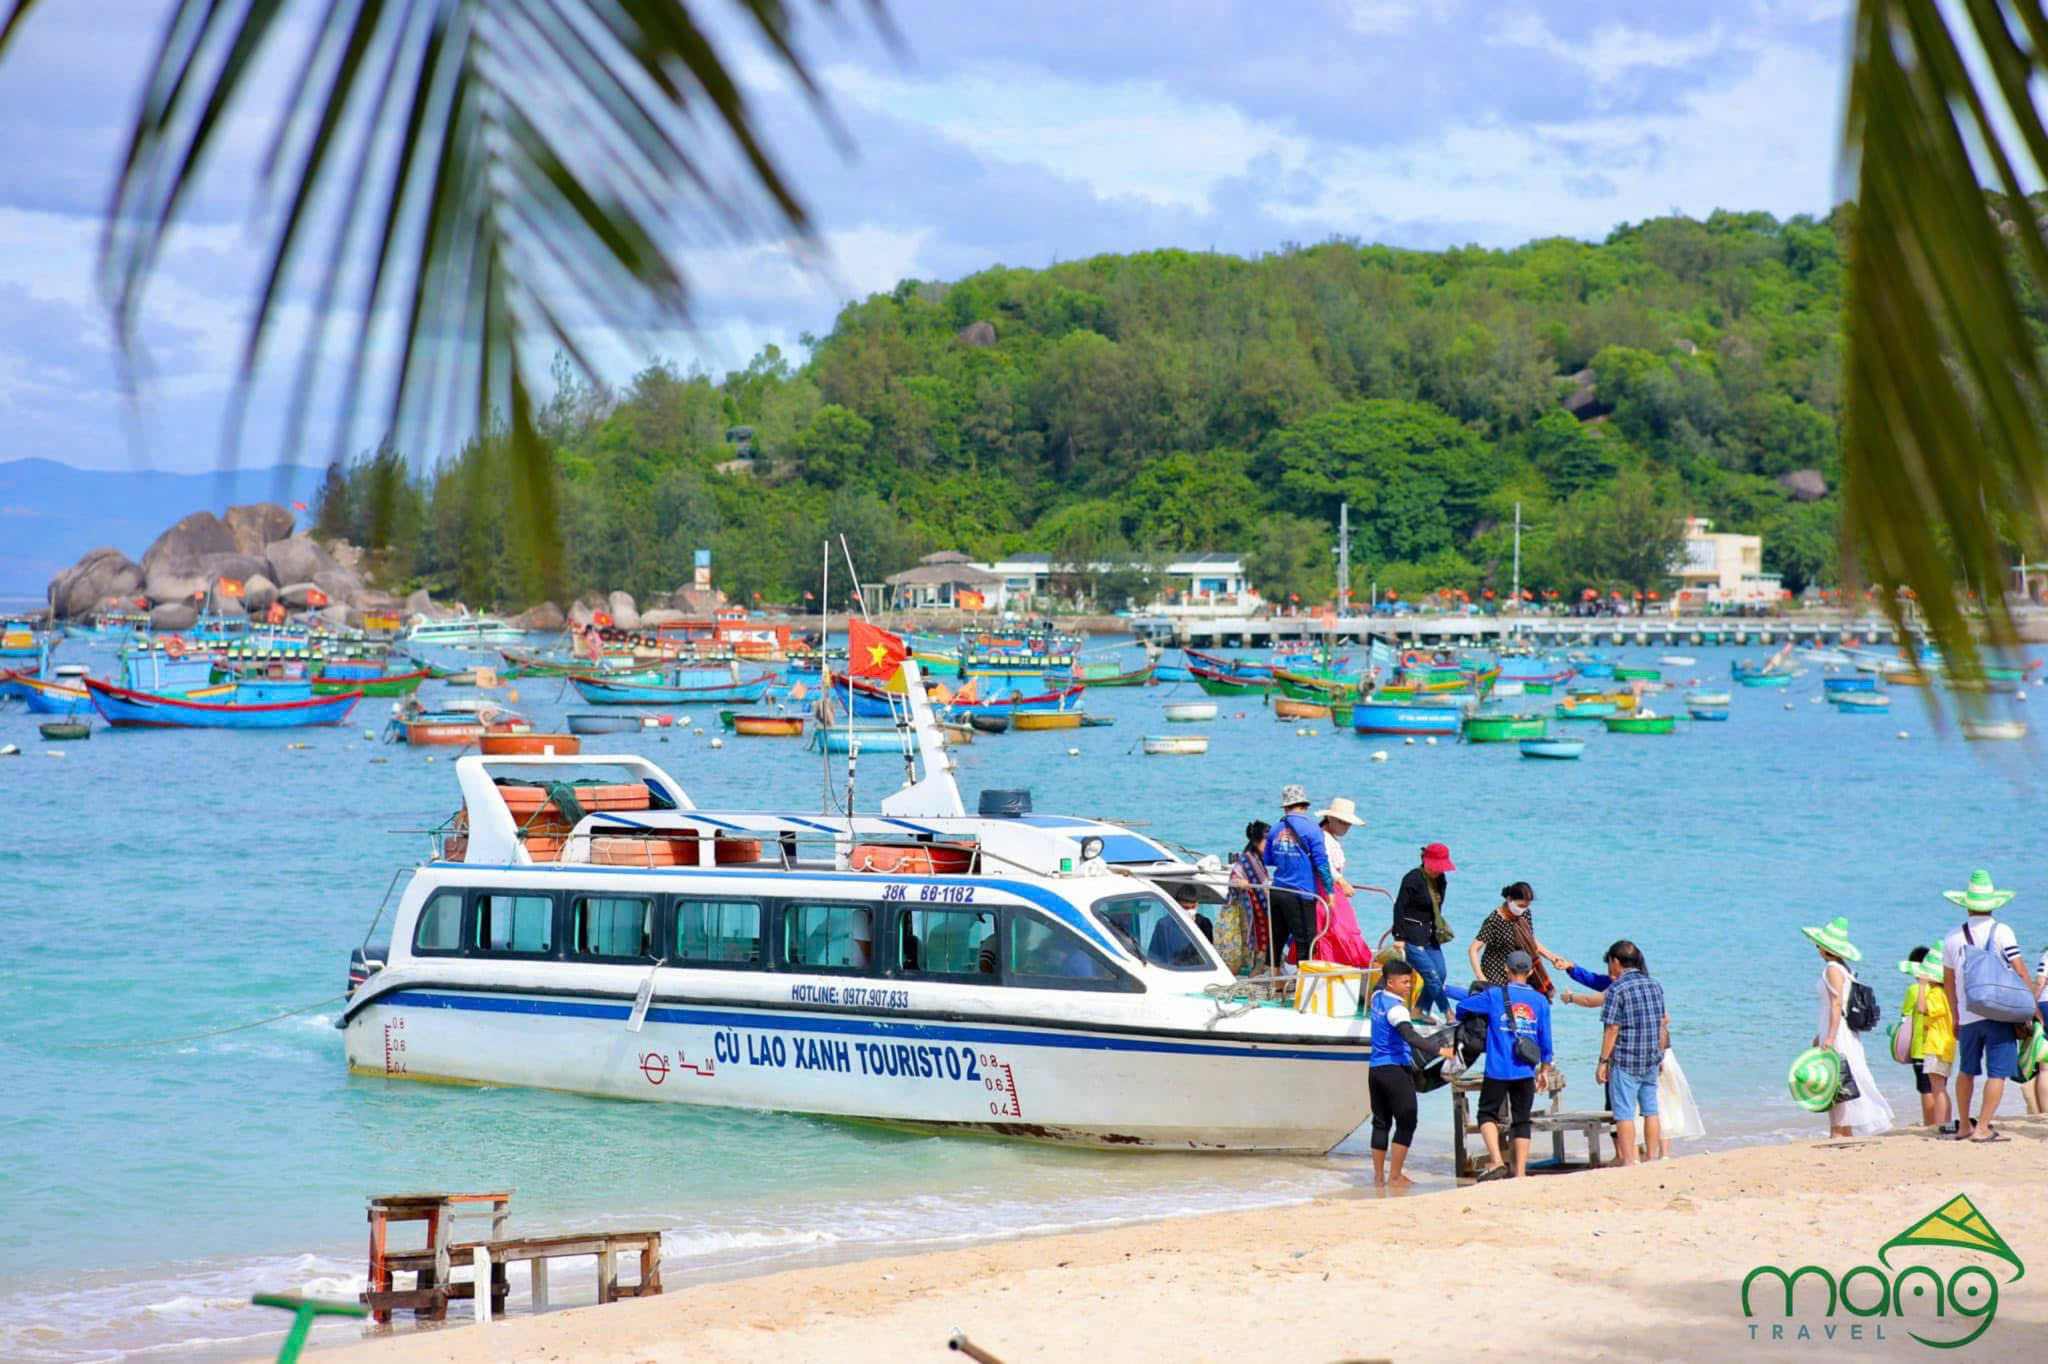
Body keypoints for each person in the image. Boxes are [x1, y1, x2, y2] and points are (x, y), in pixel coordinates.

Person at [1941, 870, 2036, 1141]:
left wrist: (1955, 1016)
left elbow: (1948, 983)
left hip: (1969, 1014)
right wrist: (2030, 1005)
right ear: (1993, 904)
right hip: (2000, 1012)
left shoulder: (1951, 937)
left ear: (1967, 905)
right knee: (1997, 1072)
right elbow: (2019, 970)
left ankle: (1962, 1126)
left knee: (1966, 1070)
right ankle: (1982, 1127)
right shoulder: (2002, 931)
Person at [1454, 949, 1554, 1180]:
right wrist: (1545, 1070)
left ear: (1507, 971)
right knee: (1521, 1120)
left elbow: (1464, 1007)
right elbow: (1545, 1039)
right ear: (1529, 972)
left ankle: (1497, 1160)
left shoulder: (1494, 996)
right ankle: (1519, 1172)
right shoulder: (1540, 1001)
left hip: (1498, 1069)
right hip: (1525, 1069)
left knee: (1486, 1114)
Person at [1368, 958, 1455, 1187]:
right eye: (1405, 982)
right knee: (1407, 1122)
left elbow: (1379, 981)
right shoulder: (1397, 1010)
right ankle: (1395, 1176)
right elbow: (1411, 1037)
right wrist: (1441, 1050)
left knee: (1381, 1123)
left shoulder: (1376, 998)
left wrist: (1397, 956)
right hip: (1395, 1070)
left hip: (1375, 1070)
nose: (1409, 987)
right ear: (1390, 983)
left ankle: (1378, 1177)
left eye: (1410, 982)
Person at [1804, 916, 1893, 1139]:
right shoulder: (1844, 969)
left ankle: (1838, 1131)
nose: (1818, 949)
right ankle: (1845, 1131)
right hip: (1838, 1029)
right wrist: (1820, 1035)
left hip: (1838, 1031)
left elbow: (1835, 1004)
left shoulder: (1832, 970)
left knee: (1836, 1080)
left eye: (1819, 945)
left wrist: (1829, 1037)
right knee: (1844, 1079)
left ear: (1826, 948)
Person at [1595, 941, 1667, 1166]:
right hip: (1651, 1057)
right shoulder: (1654, 985)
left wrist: (1603, 1061)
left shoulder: (1617, 989)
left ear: (1615, 962)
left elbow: (1612, 1028)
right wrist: (1661, 1053)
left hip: (1626, 1059)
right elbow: (1662, 1024)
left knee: (1624, 1113)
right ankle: (1652, 1157)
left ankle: (1628, 1160)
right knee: (1650, 1109)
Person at [1261, 785, 1332, 969]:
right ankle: (1304, 985)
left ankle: (1274, 982)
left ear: (1285, 807)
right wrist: (1330, 891)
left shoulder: (1275, 829)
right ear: (1305, 806)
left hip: (1278, 889)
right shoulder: (1312, 829)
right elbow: (1321, 863)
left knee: (1276, 938)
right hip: (1301, 892)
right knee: (1306, 942)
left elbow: (1268, 859)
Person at [1391, 843, 1456, 1019]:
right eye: (1435, 866)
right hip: (1411, 935)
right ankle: (1448, 1012)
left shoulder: (1441, 880)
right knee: (1431, 974)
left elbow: (1437, 908)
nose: (1437, 871)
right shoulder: (1412, 879)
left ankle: (1419, 1010)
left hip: (1430, 935)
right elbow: (1399, 908)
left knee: (1441, 974)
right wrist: (1398, 936)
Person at [1898, 945, 1955, 1131]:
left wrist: (1922, 985)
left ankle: (1937, 1125)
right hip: (1945, 1044)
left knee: (1933, 1089)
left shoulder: (1931, 993)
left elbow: (1919, 1010)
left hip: (1932, 1045)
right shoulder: (1948, 993)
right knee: (1940, 1088)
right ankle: (1943, 1123)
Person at [1469, 882, 1556, 992]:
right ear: (1510, 899)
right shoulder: (1494, 920)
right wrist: (1481, 978)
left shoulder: (1524, 914)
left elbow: (1530, 941)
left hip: (1518, 972)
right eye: (1520, 906)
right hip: (1495, 973)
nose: (1523, 909)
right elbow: (1473, 949)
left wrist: (1552, 957)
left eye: (1526, 906)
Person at [1222, 820, 1271, 975]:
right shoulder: (1247, 859)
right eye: (1267, 841)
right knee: (1257, 943)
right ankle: (1255, 971)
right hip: (1250, 910)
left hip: (1259, 908)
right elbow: (1234, 877)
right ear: (1257, 840)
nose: (1269, 845)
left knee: (1262, 942)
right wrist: (1239, 882)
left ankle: (1259, 968)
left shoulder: (1259, 859)